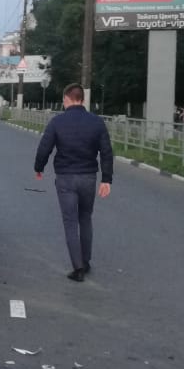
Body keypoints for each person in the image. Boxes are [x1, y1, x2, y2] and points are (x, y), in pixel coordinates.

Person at [34, 84, 114, 283]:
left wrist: (39, 167)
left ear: (66, 99)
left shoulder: (57, 122)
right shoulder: (97, 122)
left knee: (70, 222)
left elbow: (45, 147)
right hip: (88, 177)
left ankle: (77, 267)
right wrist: (106, 179)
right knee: (85, 219)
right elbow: (106, 152)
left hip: (66, 178)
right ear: (83, 100)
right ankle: (86, 262)